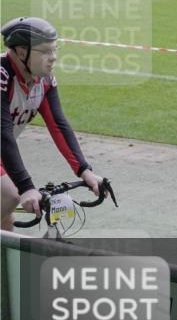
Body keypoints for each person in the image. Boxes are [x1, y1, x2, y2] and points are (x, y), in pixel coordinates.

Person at [1, 16, 103, 230]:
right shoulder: (2, 76)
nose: (53, 57)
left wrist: (85, 171)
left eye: (55, 50)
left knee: (5, 220)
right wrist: (26, 187)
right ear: (21, 52)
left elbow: (59, 125)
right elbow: (3, 133)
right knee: (9, 196)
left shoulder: (43, 81)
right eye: (46, 51)